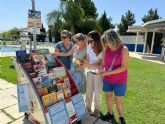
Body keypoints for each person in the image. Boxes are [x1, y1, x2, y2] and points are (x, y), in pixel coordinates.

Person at [99, 29, 129, 124]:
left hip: (119, 79)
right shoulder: (106, 49)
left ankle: (121, 117)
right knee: (108, 96)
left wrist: (107, 73)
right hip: (107, 79)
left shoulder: (124, 49)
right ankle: (110, 113)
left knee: (118, 99)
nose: (105, 44)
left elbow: (123, 67)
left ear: (112, 39)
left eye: (106, 41)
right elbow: (103, 63)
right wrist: (100, 69)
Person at [83, 30, 103, 117]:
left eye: (91, 41)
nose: (89, 43)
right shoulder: (88, 47)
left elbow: (99, 64)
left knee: (97, 93)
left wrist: (89, 65)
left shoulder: (102, 49)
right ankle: (88, 107)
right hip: (89, 72)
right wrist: (86, 63)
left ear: (97, 40)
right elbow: (87, 59)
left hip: (98, 74)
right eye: (88, 41)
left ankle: (96, 109)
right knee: (89, 91)